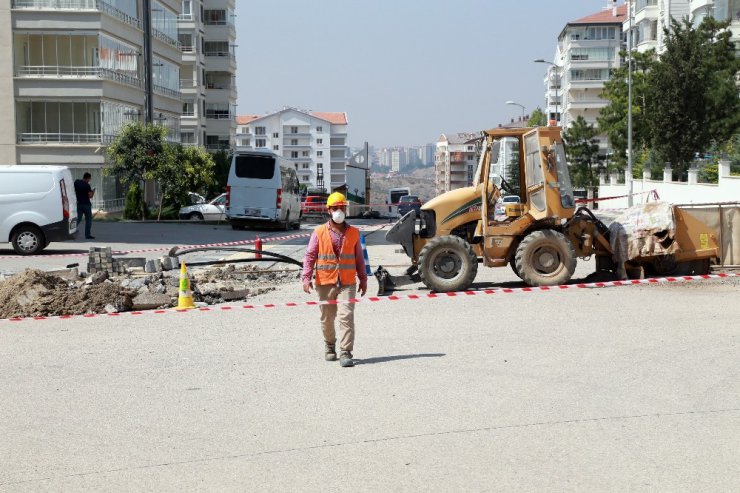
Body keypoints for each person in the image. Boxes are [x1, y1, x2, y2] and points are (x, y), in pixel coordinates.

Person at [302, 192, 368, 367]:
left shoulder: (354, 232)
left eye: (342, 208)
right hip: (325, 282)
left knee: (346, 316)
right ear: (329, 210)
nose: (339, 211)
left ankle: (346, 352)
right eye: (336, 208)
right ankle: (330, 345)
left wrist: (363, 279)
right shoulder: (319, 232)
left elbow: (359, 258)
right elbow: (310, 255)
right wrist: (306, 277)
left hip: (348, 282)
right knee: (327, 318)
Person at [74, 172, 95, 239]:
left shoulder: (76, 182)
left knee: (78, 219)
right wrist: (93, 191)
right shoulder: (87, 185)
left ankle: (70, 231)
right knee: (88, 219)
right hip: (86, 204)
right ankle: (87, 235)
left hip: (79, 204)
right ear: (88, 178)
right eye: (89, 179)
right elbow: (90, 196)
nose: (89, 180)